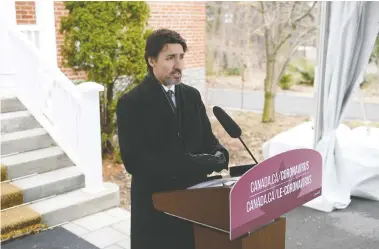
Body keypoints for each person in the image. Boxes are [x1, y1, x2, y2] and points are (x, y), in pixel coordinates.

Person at [116, 29, 229, 249]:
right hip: (156, 210)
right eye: (170, 58)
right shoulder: (132, 102)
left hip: (194, 206)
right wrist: (196, 163)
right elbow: (135, 162)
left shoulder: (192, 95)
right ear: (151, 60)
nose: (179, 65)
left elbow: (208, 139)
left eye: (181, 57)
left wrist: (220, 154)